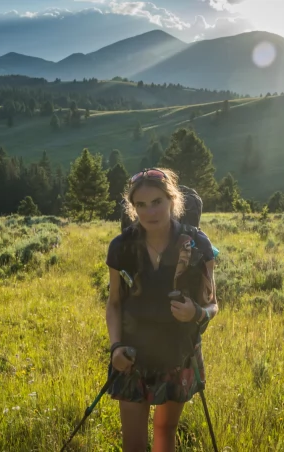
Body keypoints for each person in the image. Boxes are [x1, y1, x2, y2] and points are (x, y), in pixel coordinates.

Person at [105, 168, 219, 452]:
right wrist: (116, 347)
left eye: (157, 202)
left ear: (172, 200)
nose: (149, 212)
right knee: (133, 445)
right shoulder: (122, 247)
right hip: (131, 355)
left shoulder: (197, 245)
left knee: (164, 431)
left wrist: (197, 314)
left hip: (178, 352)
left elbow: (212, 304)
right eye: (140, 205)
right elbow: (115, 302)